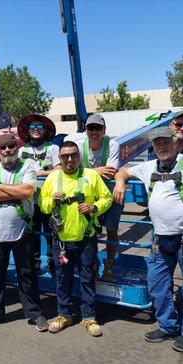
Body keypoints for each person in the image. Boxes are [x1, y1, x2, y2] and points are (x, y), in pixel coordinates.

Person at [113, 127, 183, 352]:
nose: (162, 146)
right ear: (153, 147)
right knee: (157, 284)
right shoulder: (149, 167)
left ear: (175, 143)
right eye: (157, 143)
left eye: (166, 142)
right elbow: (122, 172)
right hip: (162, 238)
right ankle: (168, 326)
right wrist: (120, 182)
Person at [39, 141, 113, 337]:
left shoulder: (91, 175)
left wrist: (93, 208)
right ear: (60, 159)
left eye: (73, 155)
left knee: (87, 278)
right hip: (62, 240)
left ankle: (89, 317)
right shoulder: (53, 178)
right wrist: (50, 200)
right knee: (63, 279)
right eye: (65, 156)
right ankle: (64, 314)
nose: (69, 160)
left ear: (79, 157)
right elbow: (43, 205)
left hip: (86, 238)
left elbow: (107, 198)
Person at [0, 133, 48, 332]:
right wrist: (12, 191)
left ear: (17, 148)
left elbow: (27, 192)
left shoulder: (28, 166)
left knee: (27, 273)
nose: (7, 150)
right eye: (3, 148)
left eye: (11, 146)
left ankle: (34, 313)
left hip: (22, 231)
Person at [76, 113, 123, 281]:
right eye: (91, 128)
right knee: (90, 231)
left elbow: (110, 173)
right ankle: (93, 264)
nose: (94, 131)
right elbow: (73, 172)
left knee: (112, 230)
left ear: (104, 130)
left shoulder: (112, 145)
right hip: (90, 196)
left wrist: (85, 173)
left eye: (98, 128)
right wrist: (96, 171)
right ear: (86, 130)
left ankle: (109, 265)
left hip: (109, 195)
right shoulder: (79, 147)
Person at [17, 114, 61, 276]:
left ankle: (54, 266)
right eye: (32, 127)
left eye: (39, 127)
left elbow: (59, 169)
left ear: (45, 130)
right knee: (31, 234)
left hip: (48, 200)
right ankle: (33, 267)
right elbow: (19, 170)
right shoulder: (22, 150)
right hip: (29, 201)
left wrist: (39, 172)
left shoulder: (53, 148)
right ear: (28, 131)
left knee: (51, 234)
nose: (36, 130)